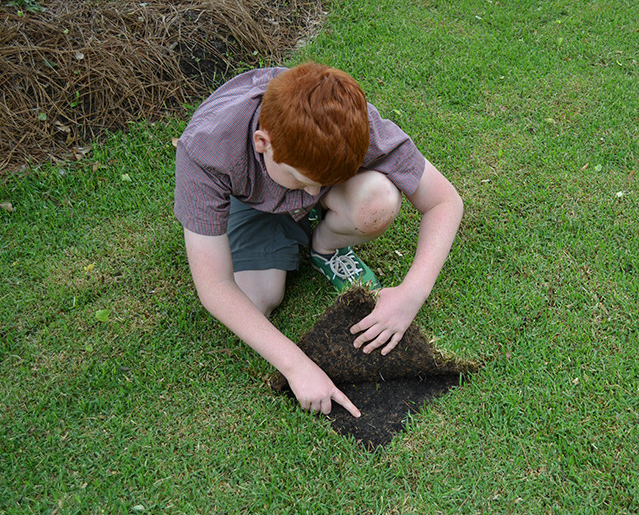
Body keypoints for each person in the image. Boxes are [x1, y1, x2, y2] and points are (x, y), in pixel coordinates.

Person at [174, 62, 464, 418]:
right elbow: (214, 286)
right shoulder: (205, 152)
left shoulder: (349, 122)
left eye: (322, 182)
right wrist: (297, 366)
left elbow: (444, 201)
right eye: (303, 180)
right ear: (262, 143)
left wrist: (410, 294)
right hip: (248, 201)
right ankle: (286, 228)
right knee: (256, 300)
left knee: (378, 200)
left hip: (317, 177)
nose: (311, 193)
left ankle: (325, 246)